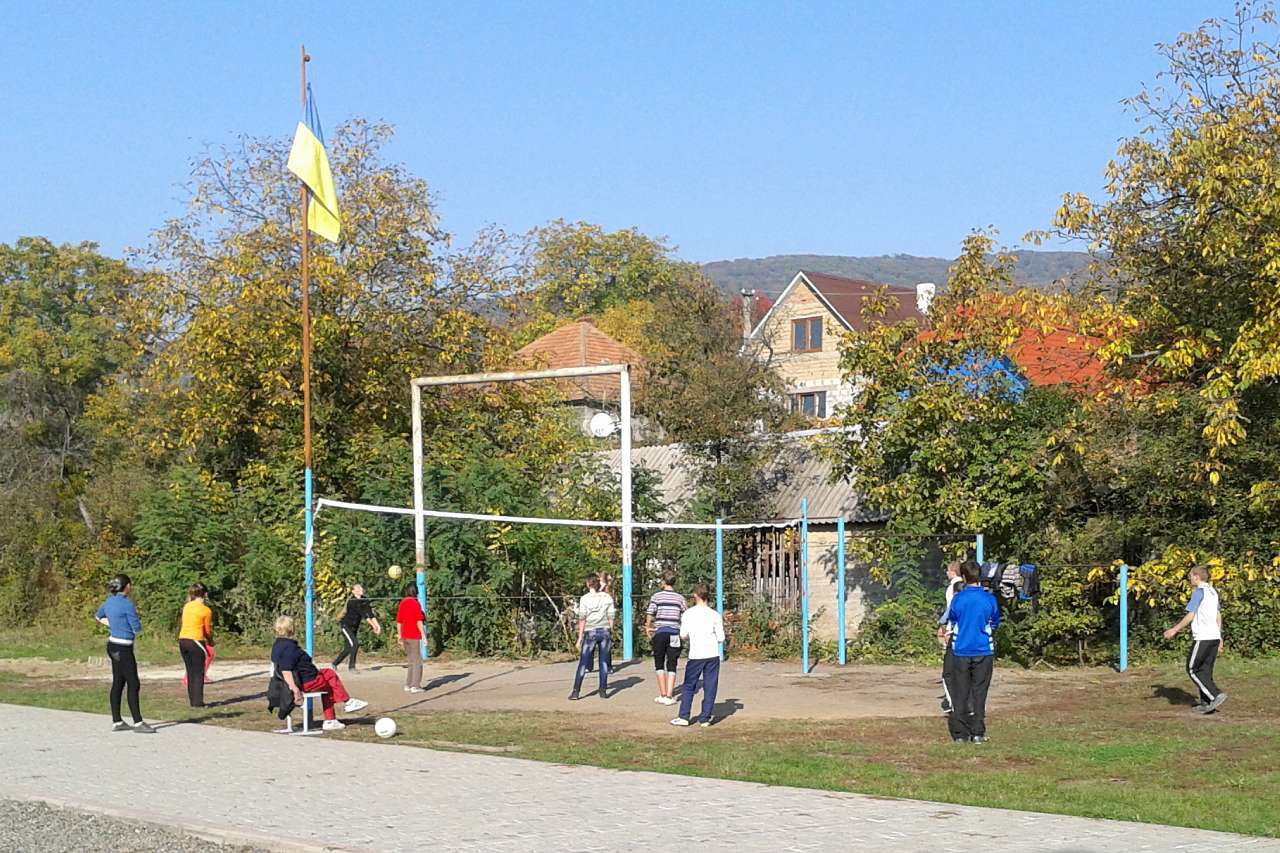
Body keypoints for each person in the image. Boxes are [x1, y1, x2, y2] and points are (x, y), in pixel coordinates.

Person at [938, 561, 1000, 743]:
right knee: (979, 692)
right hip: (983, 650)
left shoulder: (959, 598)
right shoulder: (989, 598)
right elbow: (995, 621)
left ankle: (960, 734)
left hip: (961, 650)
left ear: (963, 577)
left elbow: (953, 618)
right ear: (979, 576)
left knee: (960, 691)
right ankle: (978, 733)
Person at [270, 615, 367, 731]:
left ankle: (333, 718)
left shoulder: (277, 645)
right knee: (330, 675)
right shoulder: (289, 648)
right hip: (307, 682)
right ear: (292, 629)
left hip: (295, 680)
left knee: (328, 680)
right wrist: (295, 690)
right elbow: (286, 671)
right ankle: (345, 704)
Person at [94, 574, 155, 733]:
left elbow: (98, 616)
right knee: (134, 683)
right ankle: (138, 722)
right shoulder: (127, 604)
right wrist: (131, 628)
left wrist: (112, 625)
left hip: (112, 645)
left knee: (118, 682)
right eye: (130, 585)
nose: (131, 587)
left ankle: (117, 721)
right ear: (126, 586)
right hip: (124, 647)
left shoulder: (109, 601)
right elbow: (136, 627)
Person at [1163, 565, 1227, 714]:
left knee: (1192, 669)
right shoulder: (1213, 592)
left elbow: (1191, 615)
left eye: (1190, 576)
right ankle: (1206, 705)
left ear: (1197, 576)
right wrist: (1220, 636)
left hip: (1203, 637)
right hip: (1214, 637)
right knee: (1205, 670)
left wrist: (1174, 630)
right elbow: (1218, 615)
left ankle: (1216, 695)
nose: (1189, 579)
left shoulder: (1199, 592)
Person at [670, 585, 725, 728]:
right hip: (712, 654)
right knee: (710, 686)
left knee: (689, 685)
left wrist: (692, 637)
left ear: (695, 595)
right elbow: (721, 638)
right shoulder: (714, 615)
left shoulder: (688, 614)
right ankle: (705, 718)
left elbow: (683, 635)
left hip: (696, 654)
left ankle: (684, 716)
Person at [569, 573, 615, 700]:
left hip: (590, 632)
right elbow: (611, 616)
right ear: (598, 583)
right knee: (604, 662)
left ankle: (576, 691)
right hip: (605, 631)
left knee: (583, 662)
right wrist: (610, 631)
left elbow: (582, 619)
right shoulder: (607, 597)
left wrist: (580, 638)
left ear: (587, 584)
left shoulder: (584, 599)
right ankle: (603, 690)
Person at [645, 571, 687, 705]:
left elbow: (650, 613)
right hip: (674, 632)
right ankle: (670, 695)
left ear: (663, 581)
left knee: (659, 662)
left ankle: (663, 693)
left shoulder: (657, 597)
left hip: (660, 632)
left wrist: (648, 627)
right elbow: (685, 615)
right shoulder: (680, 598)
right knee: (672, 663)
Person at [177, 582, 214, 708]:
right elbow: (207, 630)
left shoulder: (187, 606)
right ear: (205, 594)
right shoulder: (205, 610)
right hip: (196, 641)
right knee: (198, 672)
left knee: (190, 670)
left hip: (183, 639)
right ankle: (198, 702)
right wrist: (210, 640)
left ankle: (192, 700)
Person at [333, 583, 381, 671]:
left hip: (354, 628)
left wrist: (377, 625)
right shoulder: (352, 601)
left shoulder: (365, 599)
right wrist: (374, 626)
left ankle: (335, 663)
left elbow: (370, 614)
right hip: (346, 626)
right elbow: (364, 615)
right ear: (353, 591)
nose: (360, 588)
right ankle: (351, 667)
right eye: (357, 588)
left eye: (360, 587)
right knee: (355, 644)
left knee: (348, 648)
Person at [938, 561, 965, 714]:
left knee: (949, 671)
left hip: (953, 630)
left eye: (948, 570)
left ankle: (952, 702)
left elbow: (951, 609)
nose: (946, 573)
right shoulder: (967, 585)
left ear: (952, 571)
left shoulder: (953, 588)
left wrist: (944, 627)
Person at [396, 584, 426, 693]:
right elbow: (419, 621)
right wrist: (424, 635)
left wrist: (399, 635)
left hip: (405, 635)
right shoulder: (415, 603)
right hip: (414, 635)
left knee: (411, 660)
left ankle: (408, 685)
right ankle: (415, 686)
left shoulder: (403, 603)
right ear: (416, 592)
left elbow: (399, 621)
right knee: (417, 660)